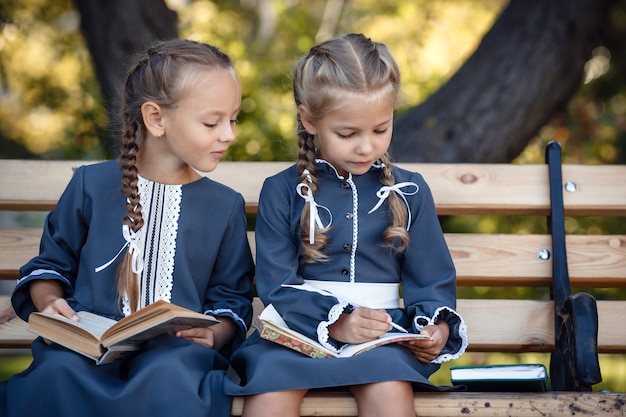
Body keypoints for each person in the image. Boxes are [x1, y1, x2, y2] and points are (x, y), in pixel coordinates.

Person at [0, 38, 254, 417]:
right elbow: (50, 264)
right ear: (156, 118)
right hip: (87, 347)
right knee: (58, 373)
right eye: (212, 122)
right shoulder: (91, 185)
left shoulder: (224, 205)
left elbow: (230, 297)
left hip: (175, 354)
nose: (229, 134)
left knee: (168, 376)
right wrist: (48, 303)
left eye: (233, 119)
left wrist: (216, 332)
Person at [224, 33, 468, 417]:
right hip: (296, 332)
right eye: (347, 133)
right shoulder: (282, 191)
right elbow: (276, 284)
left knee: (389, 392)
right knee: (271, 394)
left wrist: (435, 327)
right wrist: (336, 323)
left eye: (380, 129)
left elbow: (432, 278)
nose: (367, 147)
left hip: (381, 337)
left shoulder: (409, 191)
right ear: (309, 119)